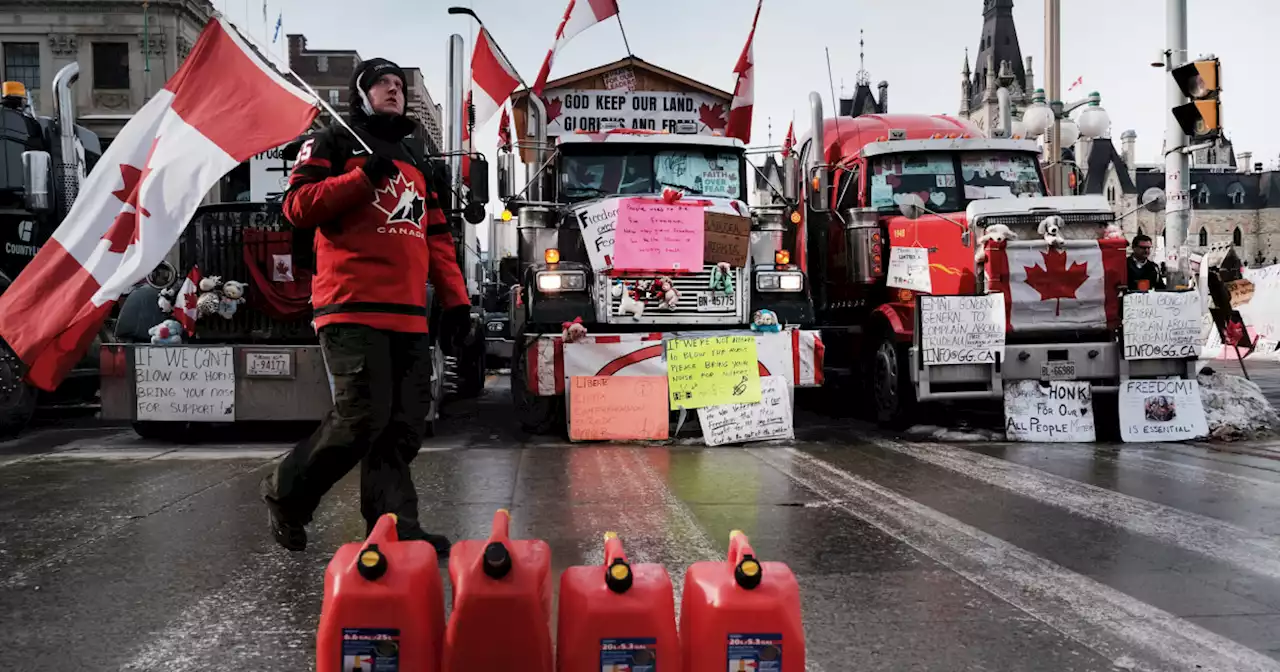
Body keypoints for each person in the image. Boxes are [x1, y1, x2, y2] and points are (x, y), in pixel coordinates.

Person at [260, 57, 472, 555]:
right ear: (362, 92)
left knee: (403, 425)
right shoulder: (333, 139)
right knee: (360, 419)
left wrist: (457, 303)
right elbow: (296, 207)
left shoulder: (417, 154)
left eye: (400, 84)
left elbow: (437, 237)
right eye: (383, 83)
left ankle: (394, 527)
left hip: (407, 313)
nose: (394, 90)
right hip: (350, 304)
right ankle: (285, 493)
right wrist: (360, 180)